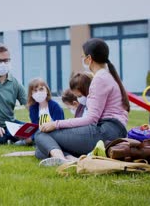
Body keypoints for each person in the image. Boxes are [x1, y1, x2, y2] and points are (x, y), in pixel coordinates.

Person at [35, 38, 129, 166]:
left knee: (41, 134)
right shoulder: (107, 76)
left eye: (83, 56)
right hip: (111, 132)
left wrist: (56, 124)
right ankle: (71, 159)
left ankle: (63, 161)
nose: (83, 60)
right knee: (41, 150)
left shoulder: (100, 78)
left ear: (89, 59)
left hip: (106, 133)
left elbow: (91, 119)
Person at [24, 78, 64, 145]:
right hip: (40, 133)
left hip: (55, 134)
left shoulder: (55, 106)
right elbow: (35, 126)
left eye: (41, 89)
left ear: (47, 90)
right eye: (35, 91)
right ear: (31, 94)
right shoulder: (33, 108)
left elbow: (59, 126)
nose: (39, 93)